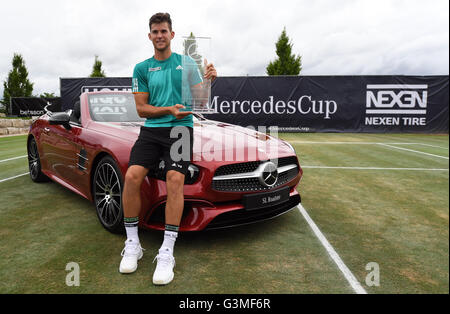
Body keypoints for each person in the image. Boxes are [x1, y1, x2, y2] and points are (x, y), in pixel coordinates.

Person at [119, 12, 217, 285]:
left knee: (175, 179)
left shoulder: (186, 63)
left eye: (164, 31)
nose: (160, 35)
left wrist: (209, 79)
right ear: (149, 36)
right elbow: (142, 109)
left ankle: (166, 250)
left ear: (172, 35)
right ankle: (133, 244)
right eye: (155, 31)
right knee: (131, 177)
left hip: (181, 129)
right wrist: (167, 110)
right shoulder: (141, 68)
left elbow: (200, 101)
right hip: (151, 131)